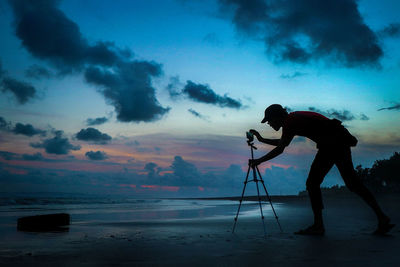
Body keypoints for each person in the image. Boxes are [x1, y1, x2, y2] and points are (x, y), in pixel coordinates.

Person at [249, 104, 394, 235]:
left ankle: (318, 226)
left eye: (269, 120)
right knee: (352, 184)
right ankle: (382, 217)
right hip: (337, 141)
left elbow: (280, 148)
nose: (268, 123)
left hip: (332, 143)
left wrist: (258, 161)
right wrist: (261, 140)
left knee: (313, 183)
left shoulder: (290, 122)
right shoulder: (292, 119)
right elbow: (283, 143)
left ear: (277, 117)